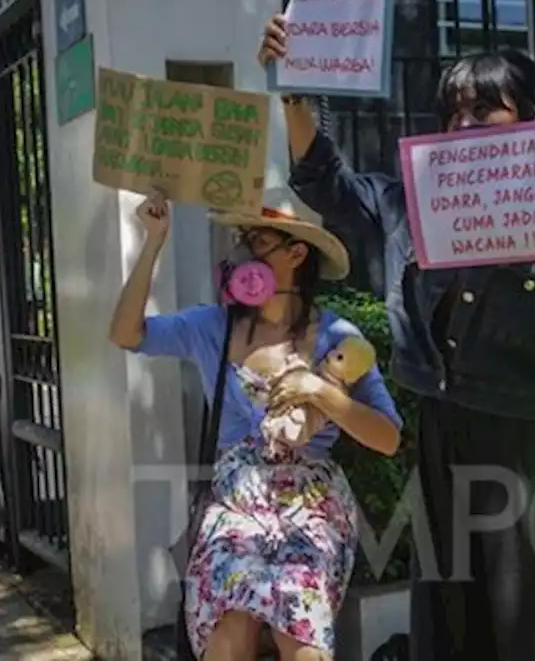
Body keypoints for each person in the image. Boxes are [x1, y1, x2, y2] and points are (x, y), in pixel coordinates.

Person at [259, 16, 535, 660]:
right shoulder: (411, 202)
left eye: (487, 110)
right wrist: (293, 90)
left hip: (533, 445)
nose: (465, 125)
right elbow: (328, 184)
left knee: (531, 618)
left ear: (533, 117)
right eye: (455, 111)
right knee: (451, 617)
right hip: (442, 435)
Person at [109, 191, 404, 660]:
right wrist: (153, 241)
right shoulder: (213, 327)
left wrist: (322, 392)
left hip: (311, 507)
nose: (242, 253)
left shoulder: (338, 338)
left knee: (301, 635)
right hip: (235, 504)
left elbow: (388, 438)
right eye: (240, 240)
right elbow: (127, 334)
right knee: (231, 628)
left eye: (258, 241)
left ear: (296, 253)